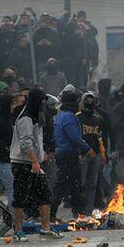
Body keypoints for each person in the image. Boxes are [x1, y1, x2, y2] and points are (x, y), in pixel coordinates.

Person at [10, 88, 63, 241]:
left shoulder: (36, 115)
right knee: (20, 197)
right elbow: (26, 143)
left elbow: (36, 140)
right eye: (42, 100)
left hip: (35, 163)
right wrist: (34, 160)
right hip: (23, 163)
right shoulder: (25, 118)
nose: (44, 103)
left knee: (45, 195)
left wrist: (41, 155)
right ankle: (18, 231)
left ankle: (46, 228)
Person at [50, 91, 94, 221]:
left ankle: (79, 213)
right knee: (62, 185)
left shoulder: (62, 116)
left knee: (75, 185)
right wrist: (87, 149)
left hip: (67, 154)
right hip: (67, 155)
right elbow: (74, 136)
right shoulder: (69, 117)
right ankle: (50, 213)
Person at [77, 92, 106, 216]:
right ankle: (79, 209)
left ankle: (89, 211)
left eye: (92, 100)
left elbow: (99, 136)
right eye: (87, 101)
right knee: (81, 183)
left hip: (95, 155)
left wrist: (103, 152)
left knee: (93, 184)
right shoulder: (77, 117)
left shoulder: (98, 118)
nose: (90, 103)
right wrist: (77, 153)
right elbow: (76, 136)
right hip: (83, 154)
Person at [0, 94, 15, 213]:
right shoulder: (1, 122)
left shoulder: (5, 120)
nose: (14, 107)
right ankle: (13, 217)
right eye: (12, 104)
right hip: (1, 161)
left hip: (2, 160)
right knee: (12, 188)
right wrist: (7, 149)